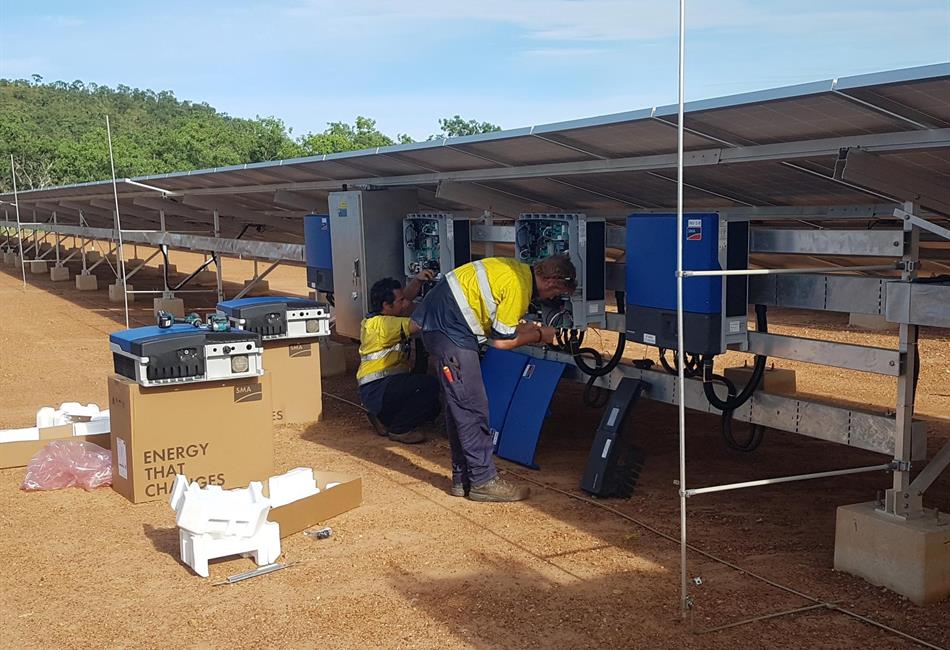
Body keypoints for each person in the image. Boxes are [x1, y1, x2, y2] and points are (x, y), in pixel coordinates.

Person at [410, 255, 577, 502]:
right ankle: (483, 481)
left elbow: (502, 327)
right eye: (557, 292)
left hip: (441, 322)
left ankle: (463, 478)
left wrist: (524, 330)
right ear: (552, 281)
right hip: (451, 330)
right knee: (472, 407)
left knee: (459, 407)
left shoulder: (517, 271)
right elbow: (501, 341)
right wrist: (540, 335)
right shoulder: (519, 288)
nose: (553, 298)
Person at [357, 272, 441, 444]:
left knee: (433, 407)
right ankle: (399, 429)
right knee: (428, 386)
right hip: (378, 388)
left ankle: (384, 417)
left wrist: (417, 281)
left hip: (383, 386)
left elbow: (406, 299)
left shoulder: (382, 317)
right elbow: (416, 325)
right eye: (400, 301)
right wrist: (443, 304)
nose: (406, 304)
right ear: (386, 305)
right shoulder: (381, 325)